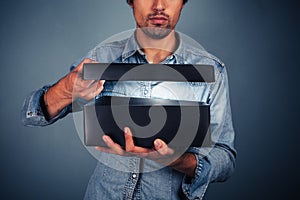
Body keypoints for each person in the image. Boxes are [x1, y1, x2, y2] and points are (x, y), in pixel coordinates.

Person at [22, 0, 236, 199]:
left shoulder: (211, 70)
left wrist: (177, 161)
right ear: (131, 1)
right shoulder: (101, 58)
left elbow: (225, 158)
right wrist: (66, 89)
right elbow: (32, 114)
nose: (159, 5)